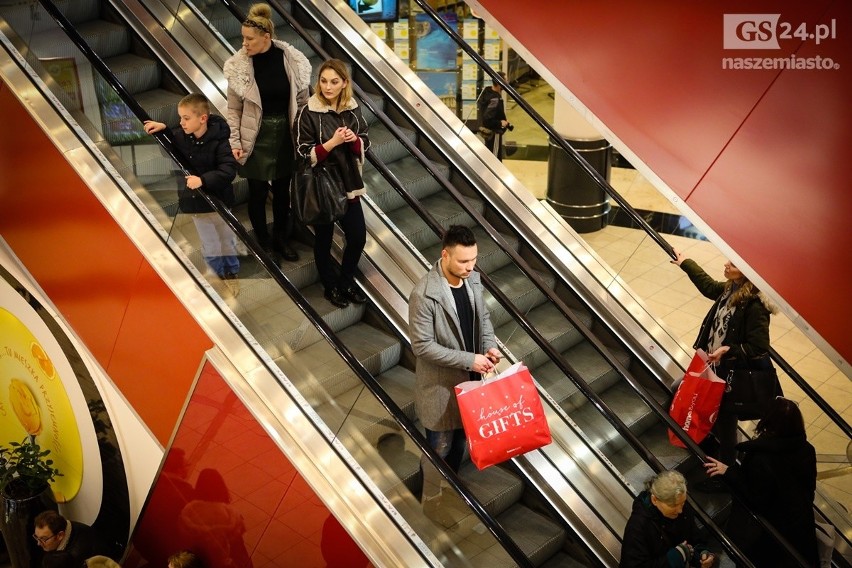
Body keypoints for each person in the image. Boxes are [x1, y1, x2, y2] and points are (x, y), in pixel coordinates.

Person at [408, 225, 502, 526]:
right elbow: (422, 347)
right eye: (463, 261)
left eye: (473, 259)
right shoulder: (425, 294)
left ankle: (449, 491)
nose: (470, 267)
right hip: (440, 389)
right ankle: (431, 502)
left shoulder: (472, 279)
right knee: (439, 449)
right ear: (445, 254)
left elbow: (482, 317)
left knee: (459, 443)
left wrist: (489, 346)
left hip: (470, 386)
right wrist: (469, 359)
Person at [671, 250, 777, 479]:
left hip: (731, 372)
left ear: (748, 275)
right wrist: (686, 263)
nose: (726, 265)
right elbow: (709, 287)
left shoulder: (754, 305)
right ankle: (708, 443)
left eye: (734, 265)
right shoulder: (731, 289)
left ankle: (724, 472)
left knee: (726, 420)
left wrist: (729, 350)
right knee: (677, 389)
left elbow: (759, 347)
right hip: (714, 366)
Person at [223, 2, 311, 262]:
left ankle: (281, 239)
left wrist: (304, 136)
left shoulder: (292, 60)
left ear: (266, 37)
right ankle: (263, 242)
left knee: (283, 191)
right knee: (258, 192)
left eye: (250, 39)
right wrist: (234, 141)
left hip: (285, 133)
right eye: (243, 38)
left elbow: (304, 103)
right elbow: (233, 111)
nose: (244, 44)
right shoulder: (239, 67)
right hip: (255, 135)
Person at [143, 94, 240, 296]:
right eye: (180, 118)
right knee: (211, 244)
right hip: (196, 204)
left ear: (202, 118)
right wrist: (165, 130)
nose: (181, 122)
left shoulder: (220, 141)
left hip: (220, 201)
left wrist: (202, 180)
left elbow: (229, 170)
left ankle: (232, 274)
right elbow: (168, 151)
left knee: (228, 240)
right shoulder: (180, 135)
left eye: (186, 118)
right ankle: (217, 278)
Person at [704, 397, 818, 567]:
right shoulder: (807, 449)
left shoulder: (762, 458)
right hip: (800, 526)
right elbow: (809, 488)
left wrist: (729, 472)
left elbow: (755, 497)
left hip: (769, 533)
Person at [294, 58, 371, 308]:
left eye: (334, 82)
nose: (327, 87)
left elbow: (366, 140)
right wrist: (331, 143)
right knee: (324, 239)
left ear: (344, 83)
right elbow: (303, 152)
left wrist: (354, 140)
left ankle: (346, 282)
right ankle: (331, 286)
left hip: (349, 181)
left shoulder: (352, 107)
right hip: (322, 184)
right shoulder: (308, 111)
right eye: (323, 81)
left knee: (357, 236)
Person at [620, 470, 715, 568]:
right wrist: (674, 558)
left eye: (682, 503)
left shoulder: (683, 509)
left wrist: (703, 553)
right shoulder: (637, 526)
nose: (680, 510)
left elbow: (696, 538)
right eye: (673, 505)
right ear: (655, 500)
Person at [33, 510, 106, 567]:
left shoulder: (74, 557)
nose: (38, 543)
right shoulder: (64, 525)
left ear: (60, 535)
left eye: (43, 539)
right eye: (36, 537)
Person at [477, 71, 510, 160]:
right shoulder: (495, 99)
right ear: (499, 83)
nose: (507, 82)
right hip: (494, 134)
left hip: (488, 134)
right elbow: (487, 120)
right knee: (495, 159)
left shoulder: (487, 91)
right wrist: (500, 123)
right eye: (506, 80)